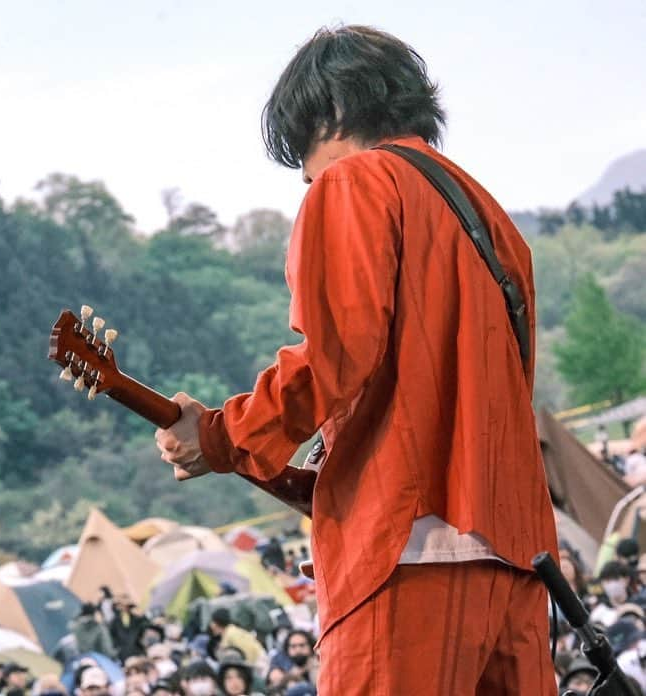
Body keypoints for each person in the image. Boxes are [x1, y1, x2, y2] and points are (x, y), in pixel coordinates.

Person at [154, 23, 558, 696]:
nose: (309, 180)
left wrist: (225, 433)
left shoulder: (356, 182)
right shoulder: (486, 213)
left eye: (305, 158)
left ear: (332, 113)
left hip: (407, 554)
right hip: (515, 560)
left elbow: (336, 354)